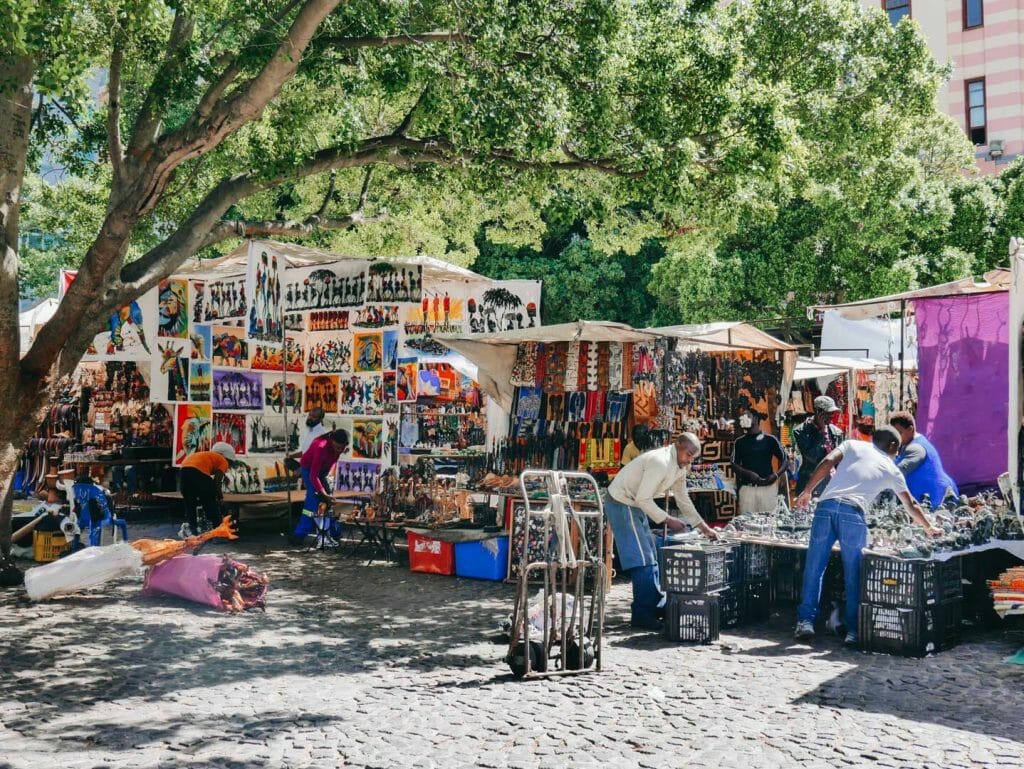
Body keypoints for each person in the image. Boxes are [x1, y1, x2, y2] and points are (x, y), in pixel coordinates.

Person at [793, 426, 941, 644]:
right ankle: (853, 630)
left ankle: (805, 621)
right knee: (854, 573)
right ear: (892, 446)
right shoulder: (892, 469)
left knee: (814, 568)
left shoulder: (852, 444)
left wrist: (807, 491)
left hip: (826, 507)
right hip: (852, 513)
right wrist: (929, 527)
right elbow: (910, 504)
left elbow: (827, 461)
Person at [605, 433, 719, 630]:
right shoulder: (661, 462)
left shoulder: (680, 466)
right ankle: (642, 613)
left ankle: (654, 605)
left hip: (634, 504)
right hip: (622, 502)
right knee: (642, 559)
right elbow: (643, 498)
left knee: (650, 555)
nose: (690, 459)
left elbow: (683, 499)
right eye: (689, 454)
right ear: (678, 445)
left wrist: (704, 528)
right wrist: (669, 520)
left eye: (694, 457)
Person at [889, 411, 959, 509]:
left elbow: (899, 471)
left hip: (936, 498)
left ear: (910, 429)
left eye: (899, 433)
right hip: (933, 495)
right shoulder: (908, 444)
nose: (895, 437)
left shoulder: (916, 448)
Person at [292, 428, 350, 544]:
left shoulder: (338, 449)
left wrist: (326, 492)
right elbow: (313, 475)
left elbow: (328, 467)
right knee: (312, 503)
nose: (339, 450)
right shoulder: (321, 447)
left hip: (322, 472)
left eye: (342, 448)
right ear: (332, 441)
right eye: (337, 447)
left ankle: (334, 533)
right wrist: (322, 492)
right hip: (309, 470)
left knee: (330, 502)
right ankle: (298, 536)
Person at [731, 410, 789, 514]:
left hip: (768, 489)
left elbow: (785, 459)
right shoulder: (739, 442)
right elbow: (734, 464)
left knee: (770, 523)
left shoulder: (770, 440)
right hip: (748, 489)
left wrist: (776, 475)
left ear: (756, 419)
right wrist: (748, 474)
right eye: (742, 417)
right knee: (746, 524)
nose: (743, 419)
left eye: (747, 416)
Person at [793, 395, 846, 496]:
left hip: (831, 484)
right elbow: (812, 456)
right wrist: (821, 432)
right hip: (810, 483)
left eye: (832, 413)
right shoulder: (801, 431)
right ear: (818, 412)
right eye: (828, 413)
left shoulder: (836, 432)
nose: (831, 416)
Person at [180, 442, 235, 536]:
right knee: (209, 502)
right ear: (228, 458)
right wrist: (220, 498)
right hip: (198, 472)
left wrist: (223, 476)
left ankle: (193, 533)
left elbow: (211, 472)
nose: (228, 466)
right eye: (230, 464)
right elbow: (216, 482)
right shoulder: (224, 461)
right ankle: (217, 532)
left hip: (183, 471)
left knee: (190, 504)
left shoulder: (208, 455)